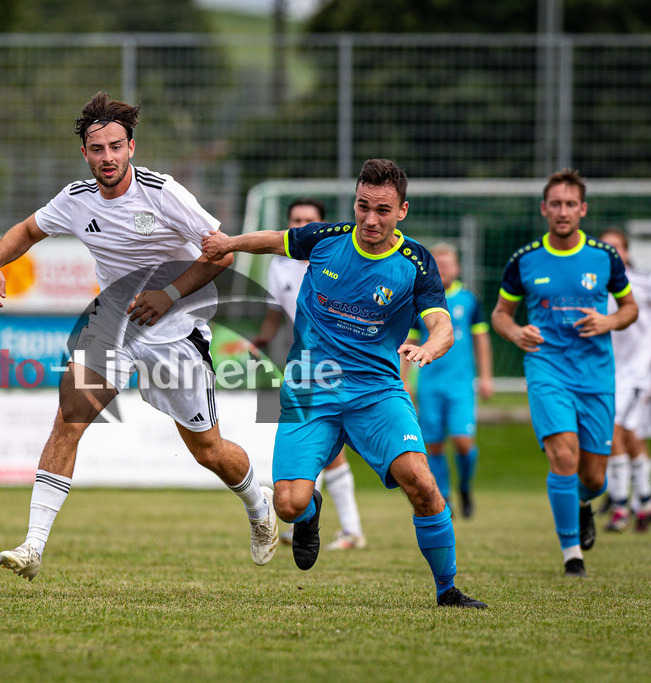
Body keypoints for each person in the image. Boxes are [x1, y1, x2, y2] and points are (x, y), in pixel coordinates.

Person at [0, 92, 278, 582]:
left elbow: (222, 253)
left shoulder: (164, 193)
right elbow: (27, 231)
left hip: (177, 331)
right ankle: (32, 546)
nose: (108, 157)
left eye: (116, 146)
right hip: (113, 323)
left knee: (208, 450)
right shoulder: (75, 201)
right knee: (69, 418)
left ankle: (256, 502)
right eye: (98, 149)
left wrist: (170, 294)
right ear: (86, 154)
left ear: (131, 147)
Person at [202, 158, 486, 608]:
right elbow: (273, 241)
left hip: (376, 392)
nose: (371, 219)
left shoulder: (415, 262)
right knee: (288, 506)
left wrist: (430, 347)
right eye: (363, 206)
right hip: (310, 389)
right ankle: (311, 512)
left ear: (402, 211)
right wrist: (227, 243)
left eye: (383, 210)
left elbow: (443, 324)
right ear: (354, 203)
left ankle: (447, 589)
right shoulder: (326, 240)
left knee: (422, 482)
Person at [491, 169, 637, 578]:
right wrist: (517, 331)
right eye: (555, 203)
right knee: (562, 455)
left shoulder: (604, 257)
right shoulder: (524, 260)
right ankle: (572, 554)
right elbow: (500, 315)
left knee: (594, 477)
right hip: (546, 367)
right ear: (544, 209)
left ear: (583, 209)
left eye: (571, 204)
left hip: (595, 376)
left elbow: (630, 309)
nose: (563, 211)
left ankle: (583, 503)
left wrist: (609, 322)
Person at [255, 197, 367, 550]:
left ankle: (348, 529)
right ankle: (317, 523)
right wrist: (262, 338)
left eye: (308, 220)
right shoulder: (278, 265)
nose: (301, 225)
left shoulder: (336, 259)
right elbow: (276, 312)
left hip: (340, 363)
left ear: (319, 225)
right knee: (315, 446)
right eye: (295, 220)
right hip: (302, 364)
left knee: (328, 446)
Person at [403, 243, 494, 518]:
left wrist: (487, 377)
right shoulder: (422, 301)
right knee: (434, 444)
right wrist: (404, 381)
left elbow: (481, 339)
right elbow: (410, 342)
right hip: (430, 384)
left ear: (457, 267)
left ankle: (465, 486)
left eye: (448, 264)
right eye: (438, 264)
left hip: (460, 385)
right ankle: (445, 496)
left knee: (463, 440)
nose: (443, 269)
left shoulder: (469, 299)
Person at [596, 228, 651, 532]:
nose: (611, 252)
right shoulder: (594, 287)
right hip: (608, 372)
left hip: (639, 372)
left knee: (614, 431)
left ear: (627, 252)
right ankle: (644, 503)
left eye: (616, 247)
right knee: (631, 437)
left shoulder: (642, 282)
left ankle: (619, 507)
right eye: (605, 247)